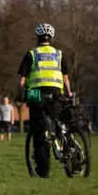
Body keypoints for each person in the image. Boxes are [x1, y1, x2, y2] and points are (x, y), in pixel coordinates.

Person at [18, 23, 72, 178]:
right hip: (56, 95)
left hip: (36, 96)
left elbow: (22, 81)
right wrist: (69, 95)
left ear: (38, 38)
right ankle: (66, 146)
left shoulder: (32, 54)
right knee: (58, 123)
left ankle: (44, 171)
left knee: (39, 133)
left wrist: (20, 93)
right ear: (51, 38)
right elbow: (66, 79)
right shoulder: (59, 54)